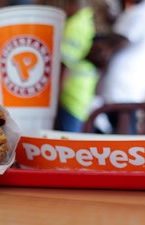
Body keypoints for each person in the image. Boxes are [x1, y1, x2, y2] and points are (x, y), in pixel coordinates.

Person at [96, 0, 145, 134]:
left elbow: (116, 42)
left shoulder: (142, 12)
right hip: (126, 83)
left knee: (123, 134)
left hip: (123, 85)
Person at [55, 0, 99, 132]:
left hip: (71, 94)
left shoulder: (76, 24)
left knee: (67, 142)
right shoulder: (86, 21)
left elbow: (64, 63)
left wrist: (56, 94)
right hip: (81, 93)